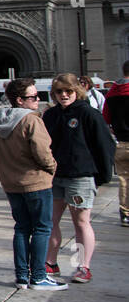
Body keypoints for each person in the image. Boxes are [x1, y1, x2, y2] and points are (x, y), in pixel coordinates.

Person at [0, 77, 66, 290]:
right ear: (20, 100)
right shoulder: (31, 120)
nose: (38, 100)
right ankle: (38, 276)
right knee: (41, 228)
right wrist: (52, 168)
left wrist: (9, 164)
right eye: (33, 96)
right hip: (36, 182)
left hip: (11, 183)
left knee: (21, 228)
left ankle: (22, 276)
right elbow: (43, 152)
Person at [43, 73, 114, 284]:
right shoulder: (51, 115)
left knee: (81, 222)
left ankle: (83, 266)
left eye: (68, 91)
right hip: (55, 177)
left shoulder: (89, 114)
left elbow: (104, 146)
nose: (64, 95)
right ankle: (50, 262)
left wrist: (102, 175)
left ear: (77, 92)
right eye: (59, 92)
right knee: (50, 221)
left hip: (80, 176)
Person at [101, 60, 129, 227]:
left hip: (121, 142)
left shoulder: (112, 92)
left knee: (124, 180)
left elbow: (106, 117)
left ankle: (125, 214)